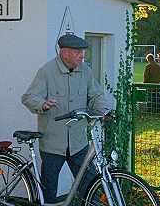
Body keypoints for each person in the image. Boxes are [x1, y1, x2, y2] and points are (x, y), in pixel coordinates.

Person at [21, 34, 113, 204]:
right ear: (65, 53)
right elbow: (28, 97)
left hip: (78, 142)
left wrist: (105, 110)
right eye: (78, 52)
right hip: (53, 143)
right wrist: (42, 104)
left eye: (83, 51)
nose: (82, 55)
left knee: (90, 184)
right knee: (49, 191)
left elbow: (96, 95)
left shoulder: (85, 70)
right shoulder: (46, 71)